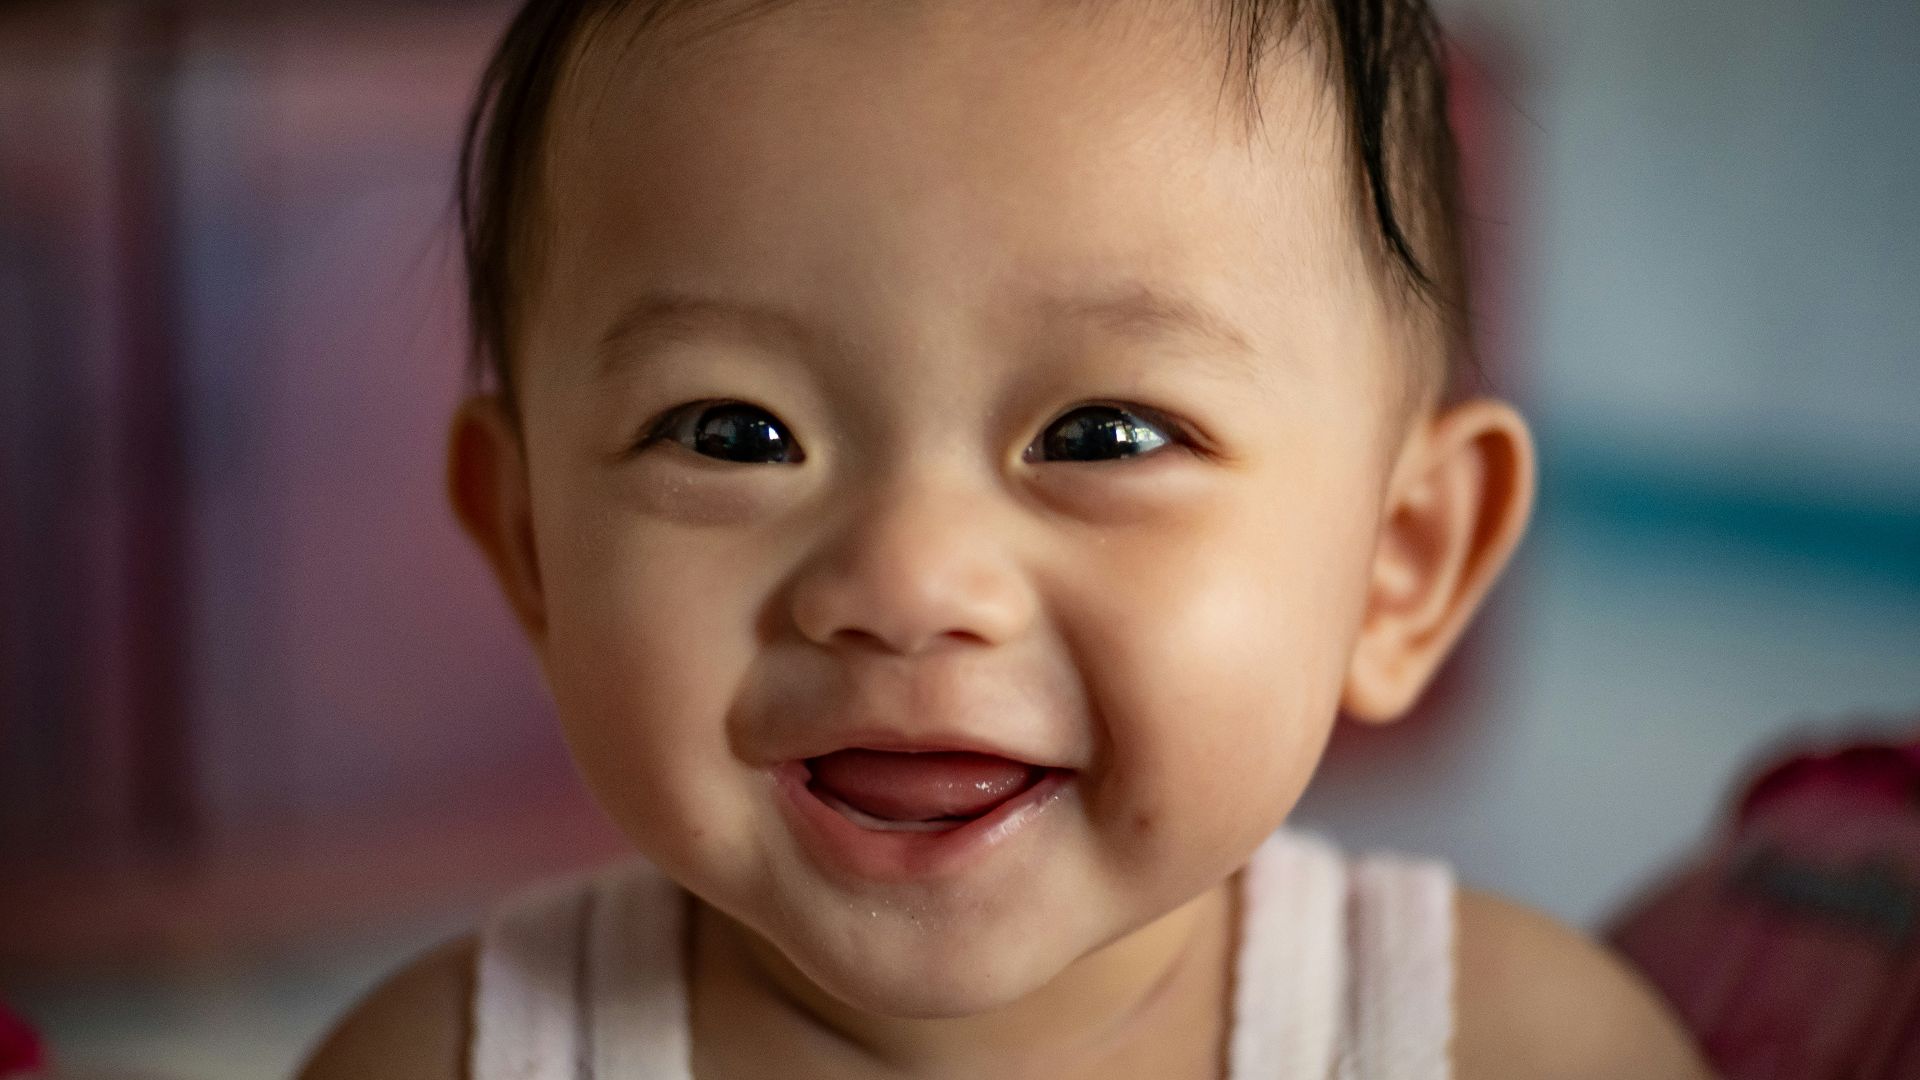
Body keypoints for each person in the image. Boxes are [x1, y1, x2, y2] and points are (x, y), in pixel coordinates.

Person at [301, 0, 1715, 1075]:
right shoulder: (447, 1056)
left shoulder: (1510, 1045)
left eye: (1102, 435)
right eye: (735, 432)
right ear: (533, 545)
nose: (907, 585)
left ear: (1400, 566)